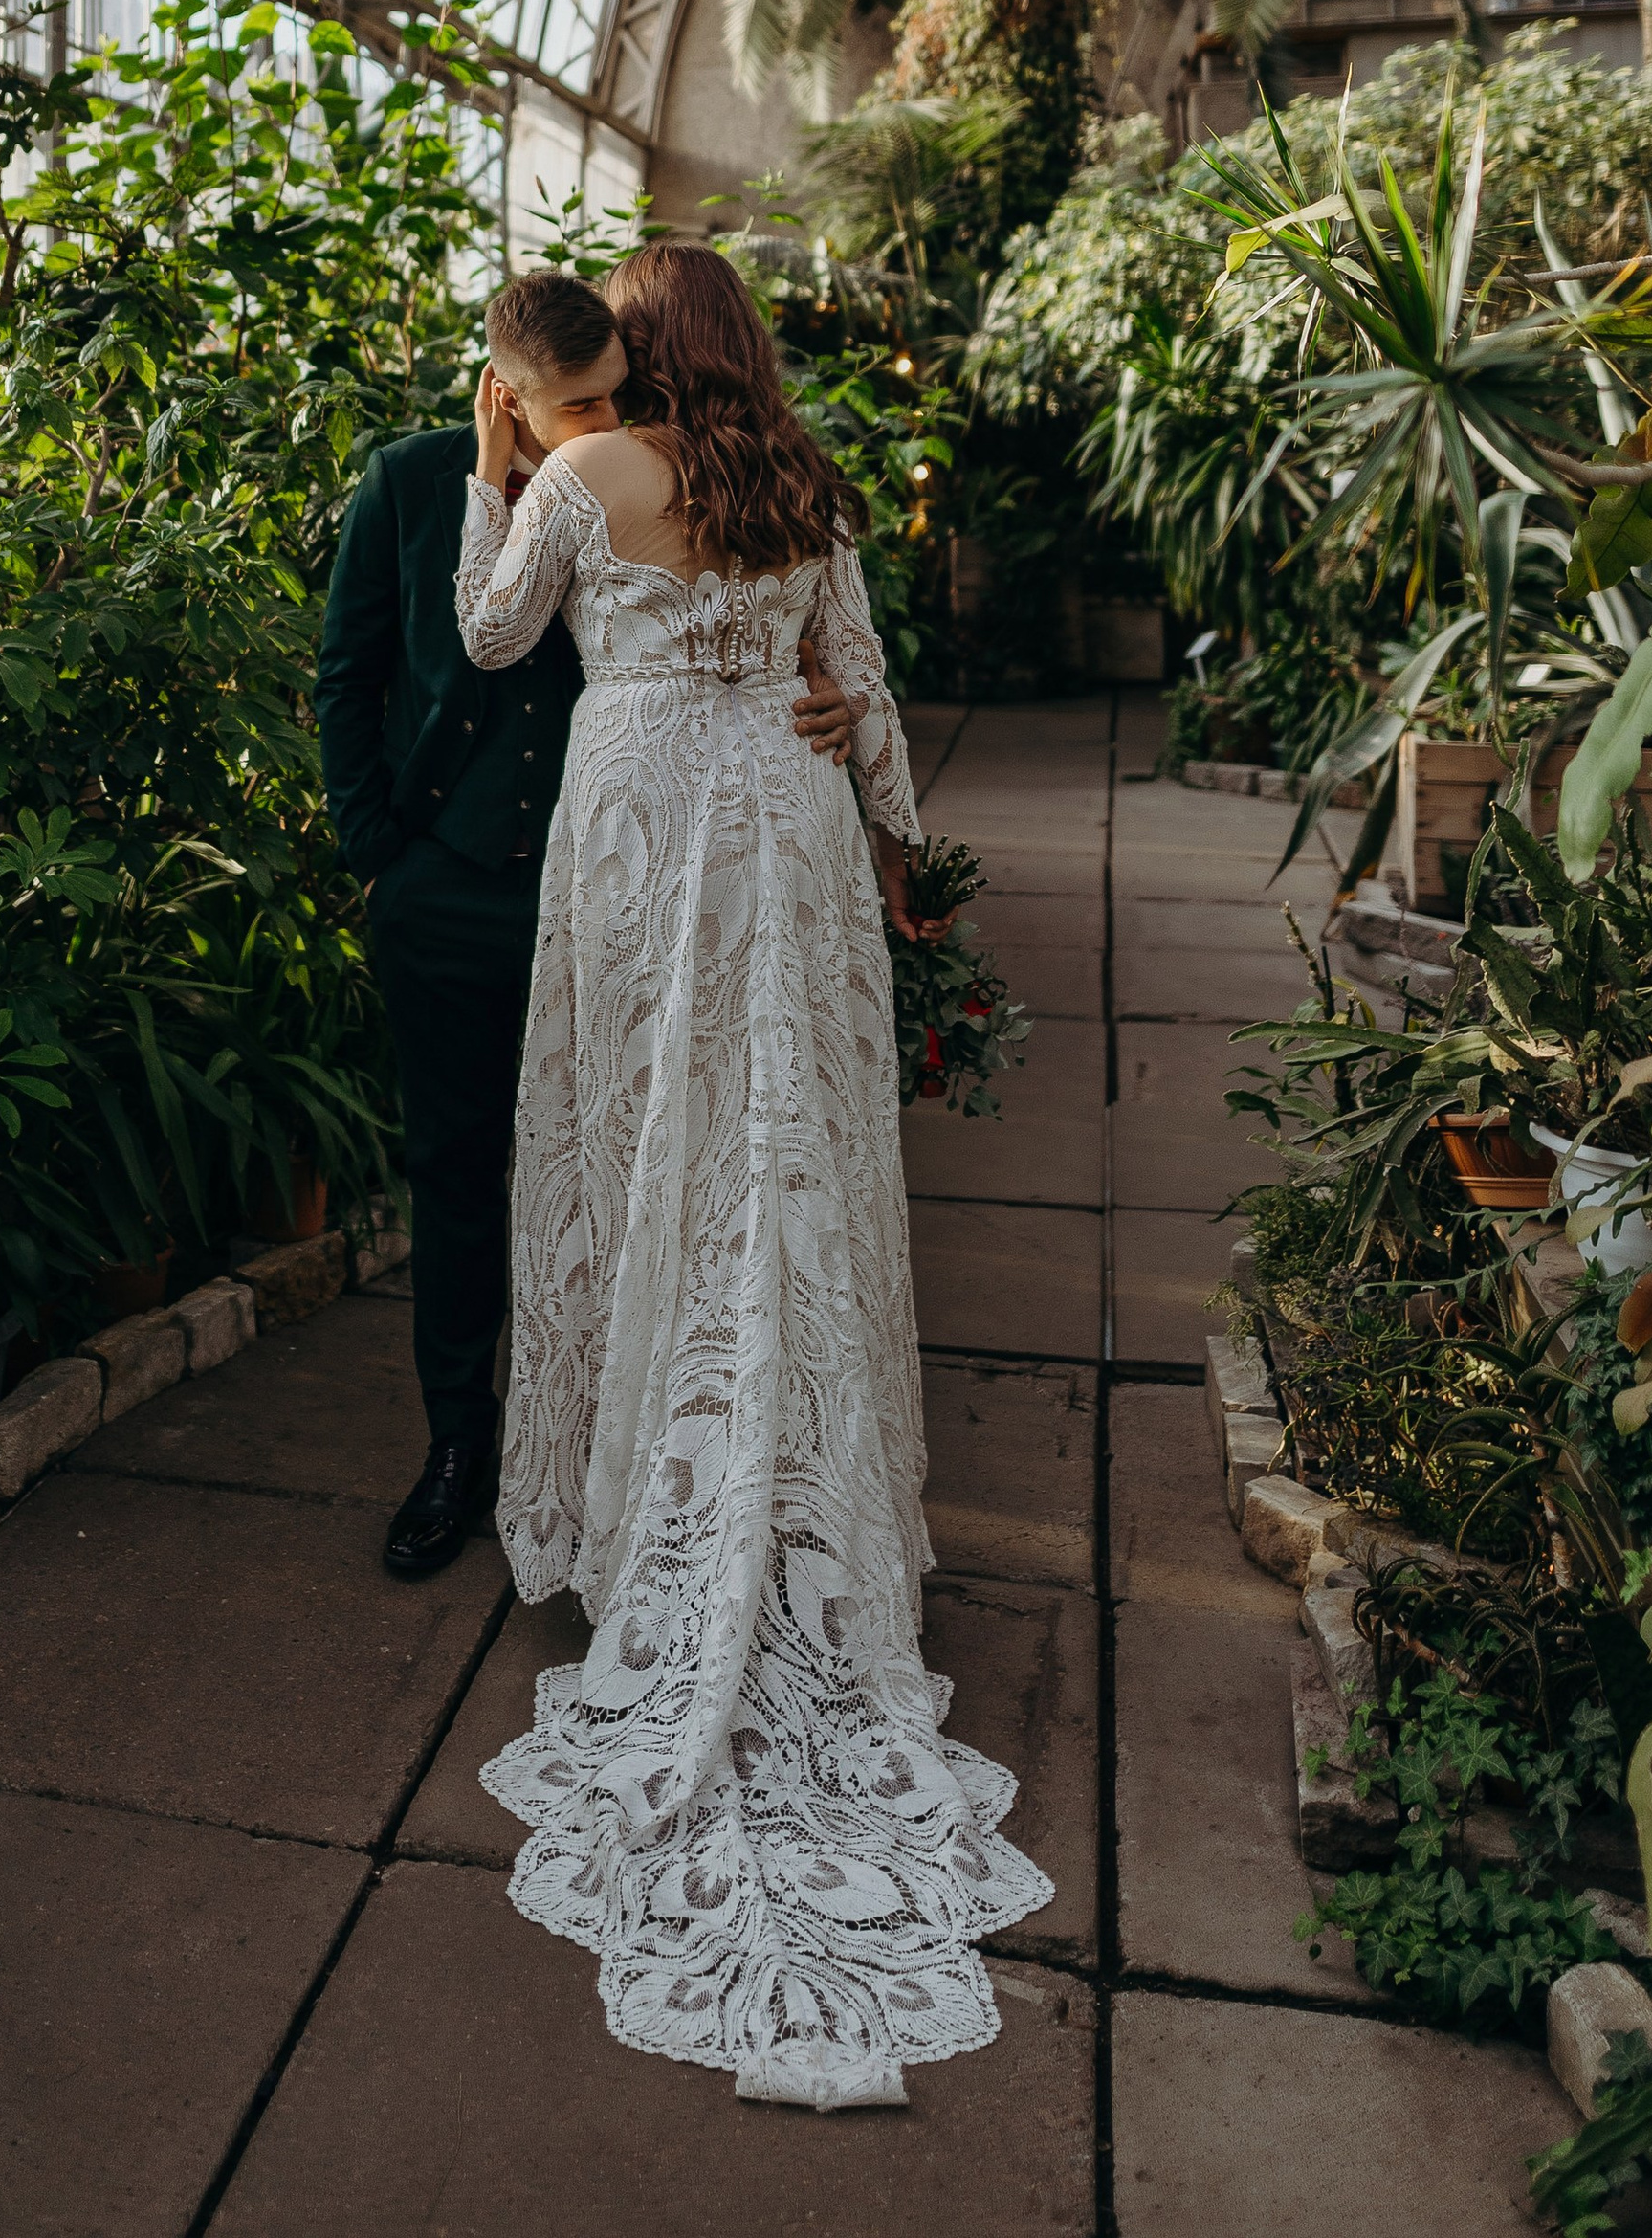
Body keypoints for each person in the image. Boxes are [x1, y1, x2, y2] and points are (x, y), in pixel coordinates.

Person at [453, 241, 1048, 2106]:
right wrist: (902, 857)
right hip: (782, 843)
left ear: (635, 344)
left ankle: (646, 1515)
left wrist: (490, 462)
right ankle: (799, 1516)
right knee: (780, 1165)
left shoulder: (576, 468)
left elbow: (490, 635)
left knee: (646, 1158)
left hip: (642, 831)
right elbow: (861, 693)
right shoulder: (799, 481)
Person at [315, 268, 855, 1582]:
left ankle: (610, 1464)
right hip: (449, 888)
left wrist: (828, 697)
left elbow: (767, 626)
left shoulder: (655, 475)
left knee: (627, 1173)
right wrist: (383, 859)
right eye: (583, 402)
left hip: (623, 895)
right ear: (509, 395)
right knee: (456, 1174)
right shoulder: (411, 481)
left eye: (620, 392)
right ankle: (458, 1447)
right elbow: (348, 676)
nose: (609, 415)